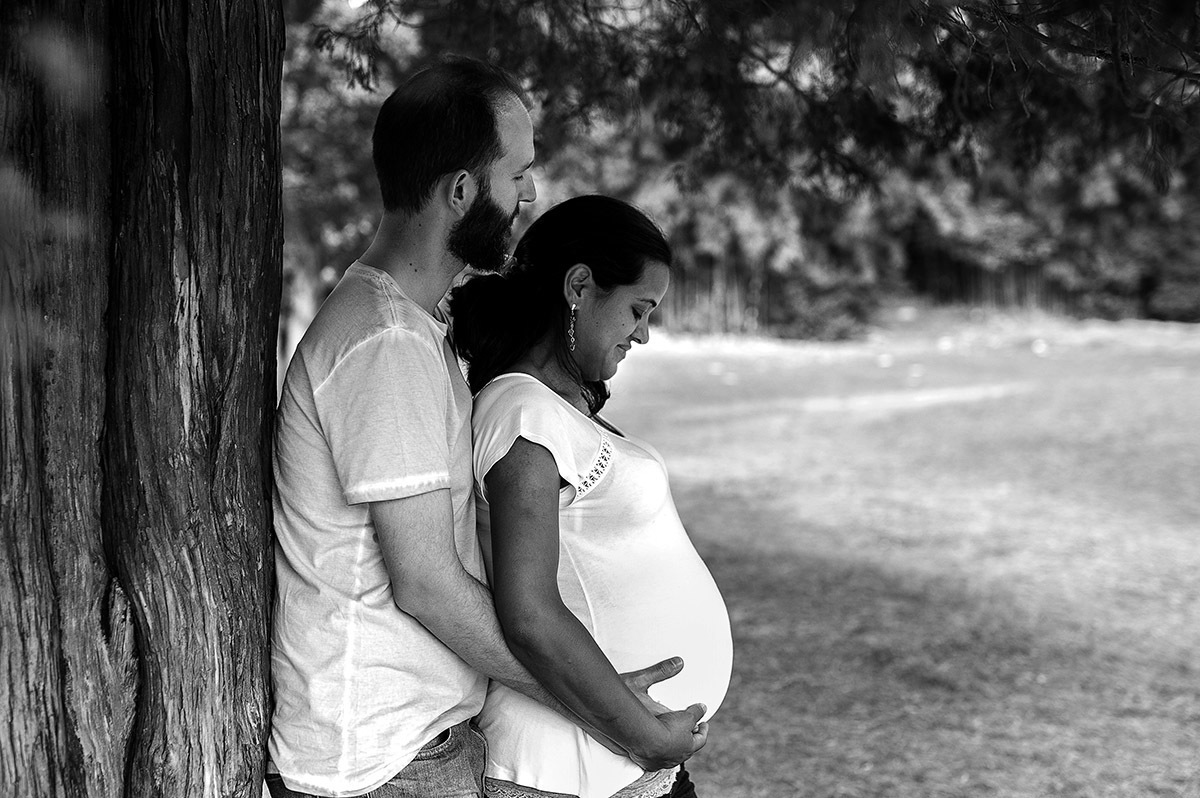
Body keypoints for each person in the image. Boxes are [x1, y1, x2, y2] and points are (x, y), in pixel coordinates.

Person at [268, 57, 700, 798]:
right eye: (518, 173)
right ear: (462, 191)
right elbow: (428, 584)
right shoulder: (383, 344)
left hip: (420, 744)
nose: (531, 193)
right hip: (380, 762)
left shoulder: (412, 326)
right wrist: (601, 705)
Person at [449, 195, 734, 798]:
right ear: (579, 285)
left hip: (614, 762)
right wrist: (646, 738)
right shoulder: (524, 414)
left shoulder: (556, 409)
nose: (645, 334)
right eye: (638, 308)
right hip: (568, 768)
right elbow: (529, 614)